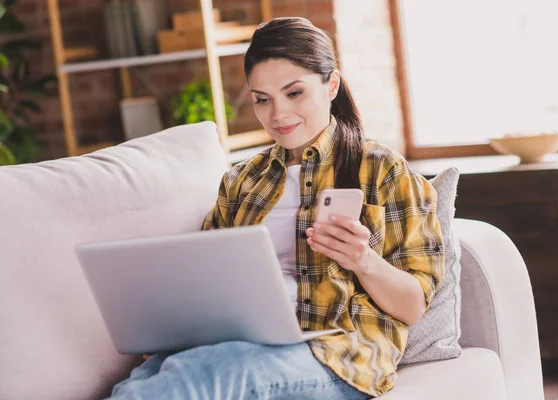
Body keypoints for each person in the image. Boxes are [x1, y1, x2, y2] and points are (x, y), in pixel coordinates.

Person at [109, 17, 444, 400]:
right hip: (242, 339)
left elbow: (413, 306)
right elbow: (205, 282)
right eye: (262, 99)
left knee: (195, 380)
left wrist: (362, 260)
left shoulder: (381, 169)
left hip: (335, 352)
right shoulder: (241, 181)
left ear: (331, 85)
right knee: (138, 384)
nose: (278, 115)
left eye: (294, 93)